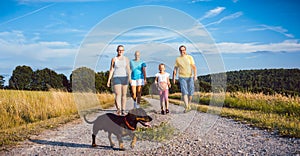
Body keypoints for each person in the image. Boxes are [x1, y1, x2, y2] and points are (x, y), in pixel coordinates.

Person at [107, 45, 131, 115]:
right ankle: (119, 109)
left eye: (122, 50)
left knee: (124, 94)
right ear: (117, 51)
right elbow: (111, 70)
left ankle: (123, 109)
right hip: (116, 77)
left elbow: (128, 69)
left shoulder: (126, 59)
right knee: (118, 94)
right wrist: (108, 80)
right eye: (119, 50)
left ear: (123, 51)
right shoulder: (114, 59)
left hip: (124, 77)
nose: (120, 51)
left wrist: (130, 78)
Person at [172, 45, 197, 113]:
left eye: (183, 50)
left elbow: (194, 67)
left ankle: (189, 104)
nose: (182, 51)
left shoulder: (190, 57)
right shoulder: (178, 59)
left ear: (185, 50)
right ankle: (186, 107)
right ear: (179, 51)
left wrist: (195, 75)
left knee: (191, 92)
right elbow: (175, 69)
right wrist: (174, 78)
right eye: (181, 50)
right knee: (184, 92)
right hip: (181, 77)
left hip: (190, 76)